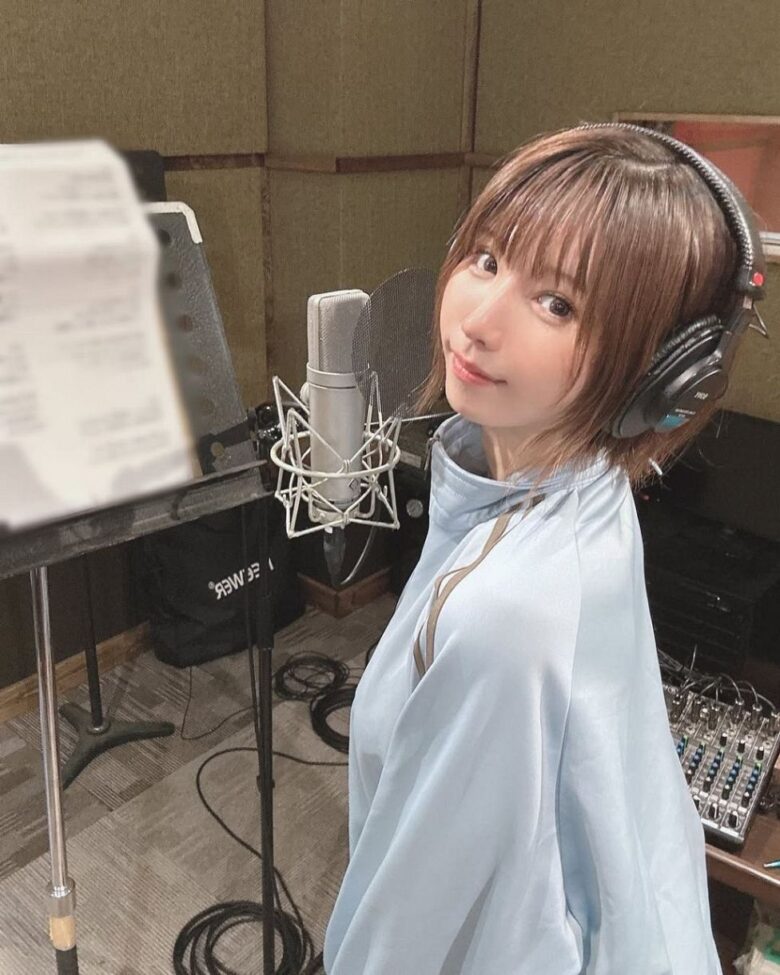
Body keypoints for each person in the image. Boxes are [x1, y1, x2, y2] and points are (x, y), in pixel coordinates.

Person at [322, 122, 766, 974]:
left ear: (664, 377)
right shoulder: (586, 485)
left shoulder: (506, 618)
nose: (477, 319)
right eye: (487, 257)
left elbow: (412, 934)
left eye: (557, 303)